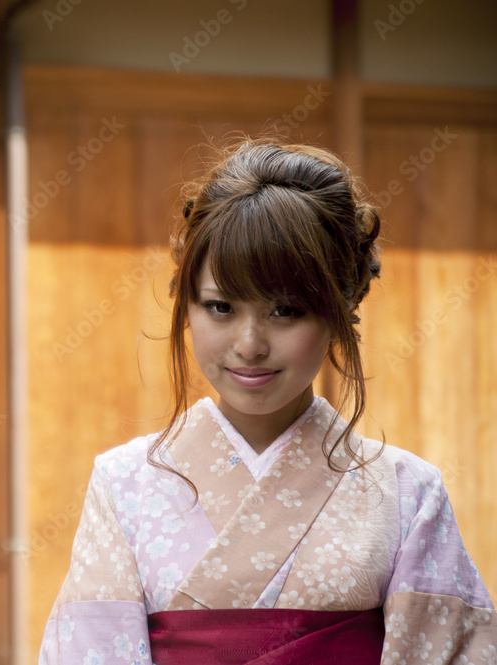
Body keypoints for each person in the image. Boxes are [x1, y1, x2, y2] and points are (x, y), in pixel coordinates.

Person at [38, 138, 495, 664]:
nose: (250, 344)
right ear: (186, 306)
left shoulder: (408, 492)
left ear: (339, 309)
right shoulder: (124, 483)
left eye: (285, 310)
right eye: (220, 307)